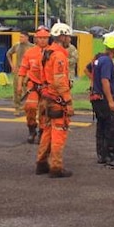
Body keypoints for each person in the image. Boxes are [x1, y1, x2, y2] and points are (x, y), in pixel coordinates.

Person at [36, 23, 76, 178]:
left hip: (46, 98)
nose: (69, 39)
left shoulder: (47, 52)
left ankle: (41, 163)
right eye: (67, 36)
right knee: (59, 132)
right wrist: (68, 101)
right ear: (62, 36)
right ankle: (56, 167)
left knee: (47, 131)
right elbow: (59, 80)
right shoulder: (59, 55)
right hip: (56, 100)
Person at [90, 35, 114, 169]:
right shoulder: (107, 61)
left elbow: (92, 73)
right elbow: (105, 80)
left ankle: (102, 155)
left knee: (102, 127)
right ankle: (112, 158)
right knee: (112, 129)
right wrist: (111, 101)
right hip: (104, 100)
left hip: (97, 99)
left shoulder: (99, 59)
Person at [17, 26, 51, 144]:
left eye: (45, 38)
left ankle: (42, 131)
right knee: (30, 107)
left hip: (47, 86)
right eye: (40, 38)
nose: (42, 40)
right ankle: (32, 129)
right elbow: (23, 69)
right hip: (33, 84)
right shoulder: (30, 52)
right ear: (36, 39)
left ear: (48, 38)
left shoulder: (53, 52)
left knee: (44, 109)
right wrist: (20, 85)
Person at [6, 33, 34, 116]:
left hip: (28, 71)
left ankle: (27, 107)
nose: (20, 38)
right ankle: (17, 107)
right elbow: (8, 54)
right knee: (17, 89)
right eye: (20, 37)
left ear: (27, 38)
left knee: (28, 90)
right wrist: (12, 65)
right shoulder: (16, 46)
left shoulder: (32, 47)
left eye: (22, 37)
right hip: (18, 70)